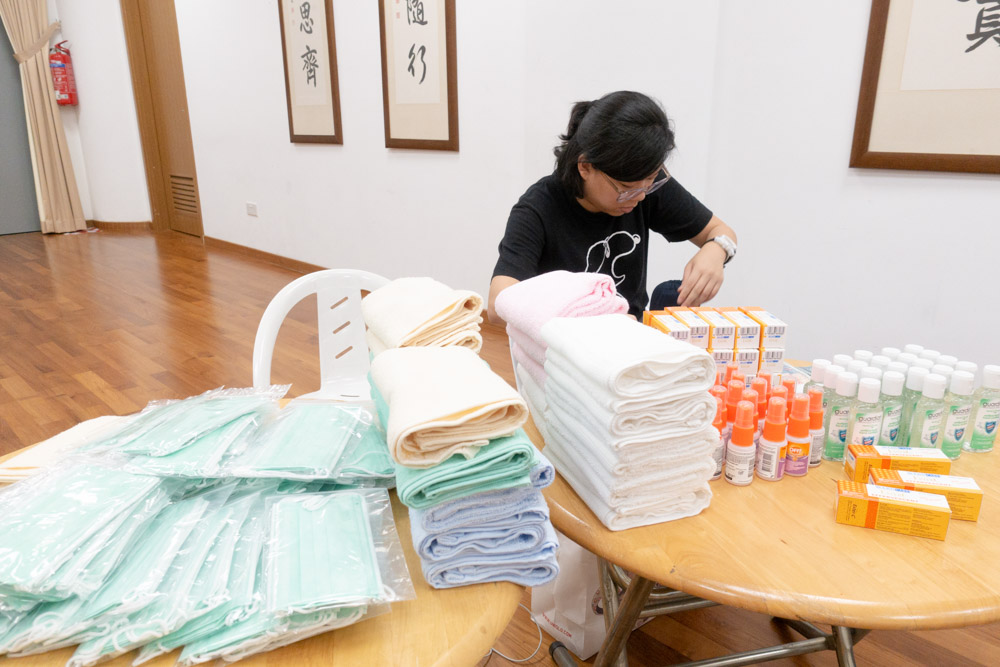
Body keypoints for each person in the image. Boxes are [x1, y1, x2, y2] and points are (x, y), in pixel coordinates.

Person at [488, 91, 737, 325]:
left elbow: (719, 230)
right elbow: (498, 304)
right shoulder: (538, 208)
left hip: (627, 342)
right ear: (585, 167)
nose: (639, 197)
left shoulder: (643, 183)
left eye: (650, 182)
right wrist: (597, 321)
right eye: (626, 189)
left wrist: (717, 250)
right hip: (560, 350)